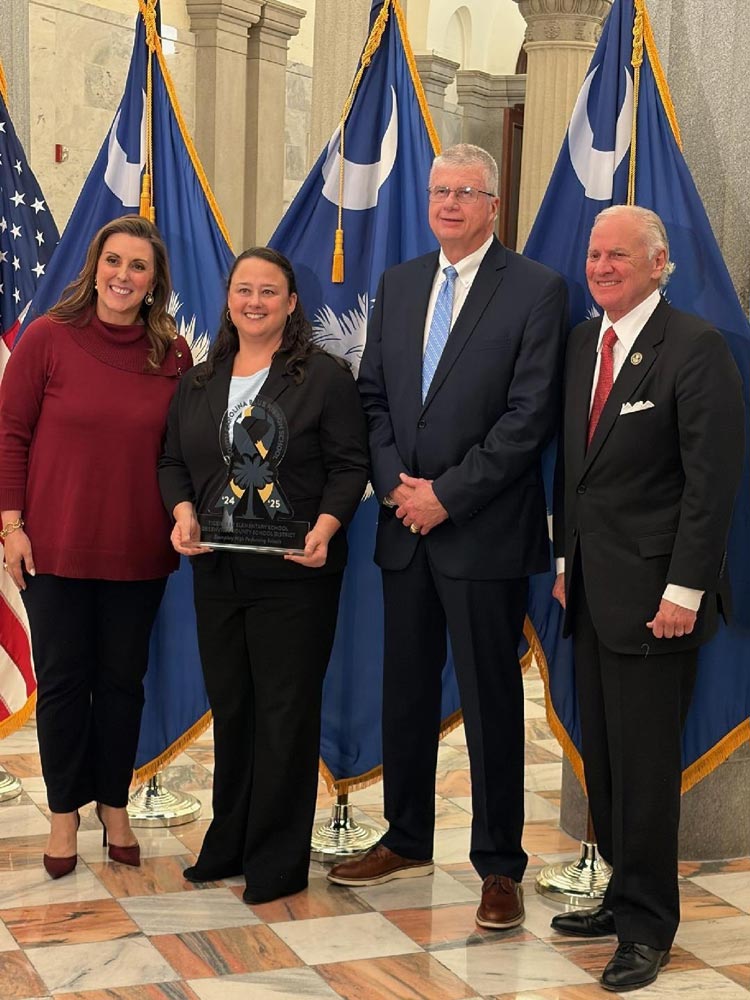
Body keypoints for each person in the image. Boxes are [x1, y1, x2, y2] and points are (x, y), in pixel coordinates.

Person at [328, 143, 568, 930]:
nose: (450, 204)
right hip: (405, 529)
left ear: (494, 204)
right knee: (406, 693)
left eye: (467, 192)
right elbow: (374, 403)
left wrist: (449, 496)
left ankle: (499, 865)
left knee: (493, 703)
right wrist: (399, 486)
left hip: (483, 535)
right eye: (440, 191)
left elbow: (529, 417)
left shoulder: (535, 290)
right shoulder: (399, 284)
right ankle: (405, 837)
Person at [549, 205, 744, 992]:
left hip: (660, 601)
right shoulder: (583, 342)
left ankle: (646, 925)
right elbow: (576, 472)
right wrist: (565, 561)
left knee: (646, 768)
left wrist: (685, 589)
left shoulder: (696, 349)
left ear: (659, 263)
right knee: (607, 761)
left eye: (618, 257)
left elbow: (711, 484)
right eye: (594, 254)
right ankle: (621, 889)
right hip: (592, 591)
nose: (601, 267)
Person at [158, 246, 369, 905]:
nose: (254, 301)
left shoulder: (323, 377)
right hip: (217, 569)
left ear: (290, 303)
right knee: (236, 708)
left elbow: (349, 465)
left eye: (269, 292)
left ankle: (277, 861)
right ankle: (230, 845)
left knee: (284, 713)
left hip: (293, 573)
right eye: (244, 289)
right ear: (228, 299)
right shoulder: (199, 379)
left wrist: (326, 530)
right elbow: (171, 461)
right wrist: (183, 510)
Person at [0, 215, 191, 877]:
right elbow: (10, 436)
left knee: (121, 684)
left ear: (153, 282)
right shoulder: (47, 339)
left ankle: (114, 806)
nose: (122, 275)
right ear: (94, 266)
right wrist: (11, 526)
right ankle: (63, 814)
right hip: (54, 548)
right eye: (114, 261)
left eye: (138, 266)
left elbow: (180, 451)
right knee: (61, 684)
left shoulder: (172, 352)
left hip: (139, 548)